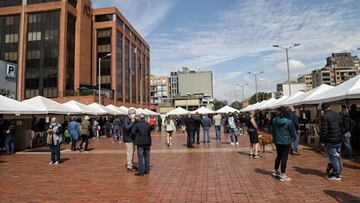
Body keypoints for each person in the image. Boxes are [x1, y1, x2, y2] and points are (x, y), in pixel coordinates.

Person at [320, 102, 344, 181]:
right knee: (338, 156)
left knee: (333, 158)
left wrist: (322, 141)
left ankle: (337, 175)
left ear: (323, 109)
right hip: (338, 139)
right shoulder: (337, 114)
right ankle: (339, 173)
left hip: (330, 140)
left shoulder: (325, 116)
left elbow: (324, 131)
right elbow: (341, 126)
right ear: (329, 107)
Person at [272, 107, 295, 182]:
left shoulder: (274, 120)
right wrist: (293, 138)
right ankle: (283, 175)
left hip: (277, 141)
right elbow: (291, 132)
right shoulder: (288, 121)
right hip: (286, 141)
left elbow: (273, 130)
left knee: (279, 156)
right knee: (284, 158)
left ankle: (275, 170)